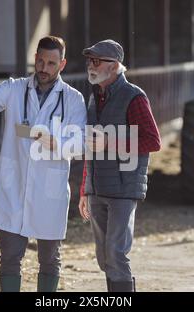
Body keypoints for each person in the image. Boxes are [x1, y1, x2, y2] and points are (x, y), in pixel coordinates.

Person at [0, 36, 87, 292]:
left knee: (49, 260)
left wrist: (53, 141)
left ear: (62, 64)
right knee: (10, 258)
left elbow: (80, 143)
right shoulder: (15, 88)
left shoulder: (72, 99)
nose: (44, 68)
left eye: (51, 63)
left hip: (50, 190)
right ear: (34, 58)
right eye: (40, 61)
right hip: (14, 188)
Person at [78, 39, 161, 292]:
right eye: (89, 61)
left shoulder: (133, 96)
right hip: (97, 188)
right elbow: (91, 146)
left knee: (115, 253)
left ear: (114, 66)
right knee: (105, 257)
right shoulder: (93, 97)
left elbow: (152, 141)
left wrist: (110, 142)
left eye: (96, 61)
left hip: (124, 189)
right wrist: (84, 188)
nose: (91, 66)